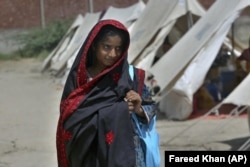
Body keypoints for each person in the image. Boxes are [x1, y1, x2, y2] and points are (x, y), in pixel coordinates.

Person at [56, 19, 157, 167]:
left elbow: (151, 107)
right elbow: (70, 116)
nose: (112, 54)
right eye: (106, 47)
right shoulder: (81, 79)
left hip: (127, 153)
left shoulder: (131, 76)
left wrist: (138, 109)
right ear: (94, 46)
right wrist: (116, 110)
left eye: (118, 49)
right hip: (89, 153)